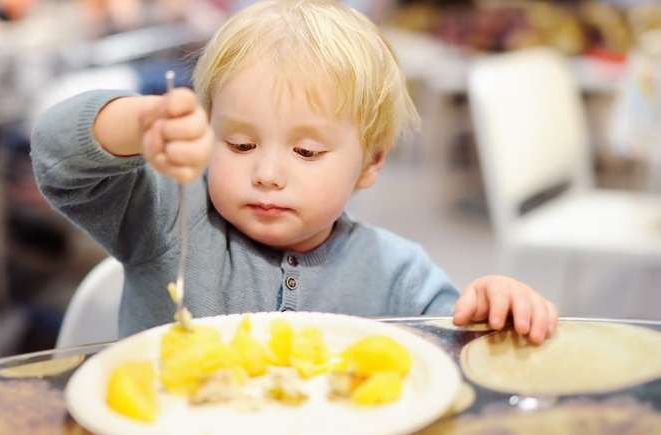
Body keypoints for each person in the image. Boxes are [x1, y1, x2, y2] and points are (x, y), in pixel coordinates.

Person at [31, 0, 558, 344]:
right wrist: (138, 123)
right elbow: (58, 156)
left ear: (371, 162)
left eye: (306, 152)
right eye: (238, 143)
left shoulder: (399, 275)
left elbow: (455, 356)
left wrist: (495, 309)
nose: (266, 173)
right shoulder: (165, 215)